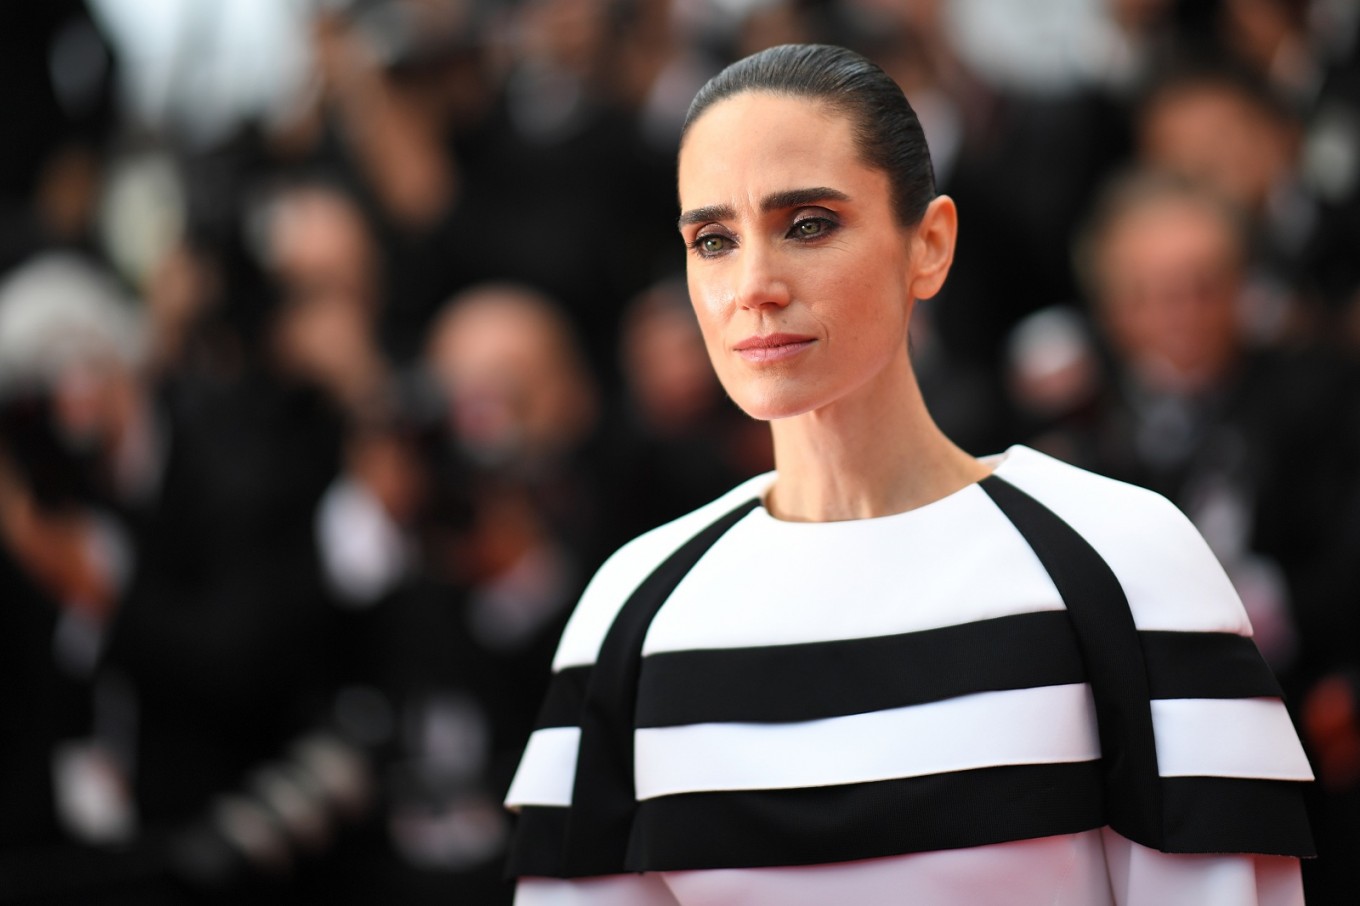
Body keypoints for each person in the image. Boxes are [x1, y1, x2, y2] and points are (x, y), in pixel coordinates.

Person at [502, 44, 1314, 905]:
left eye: (808, 224)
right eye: (713, 239)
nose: (755, 285)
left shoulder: (1125, 562)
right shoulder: (630, 610)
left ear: (928, 245)